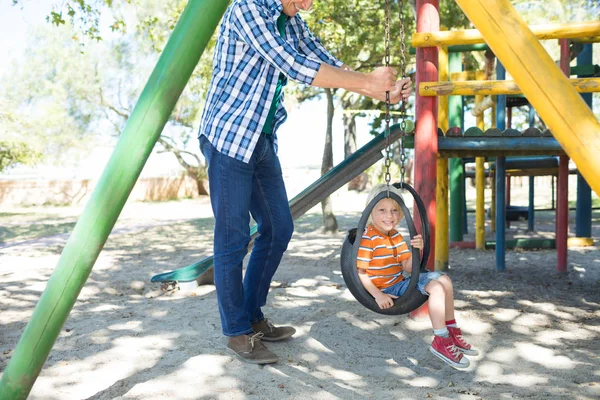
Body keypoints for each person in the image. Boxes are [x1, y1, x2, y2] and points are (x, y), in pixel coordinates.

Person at [198, 0, 413, 365]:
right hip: (229, 139)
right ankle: (237, 332)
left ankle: (252, 316)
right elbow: (294, 65)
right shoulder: (247, 8)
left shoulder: (292, 20)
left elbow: (320, 57)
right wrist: (367, 84)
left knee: (280, 227)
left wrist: (380, 90)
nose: (310, 3)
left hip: (260, 141)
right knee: (233, 238)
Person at [357, 184, 478, 369]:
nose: (389, 216)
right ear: (370, 211)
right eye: (382, 210)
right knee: (436, 287)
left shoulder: (395, 236)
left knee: (444, 279)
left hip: (400, 282)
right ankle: (441, 340)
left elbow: (407, 267)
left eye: (395, 210)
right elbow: (361, 273)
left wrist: (416, 250)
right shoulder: (368, 239)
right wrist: (378, 295)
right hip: (385, 288)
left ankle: (452, 330)